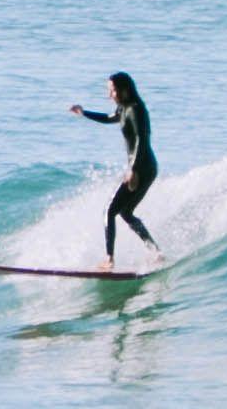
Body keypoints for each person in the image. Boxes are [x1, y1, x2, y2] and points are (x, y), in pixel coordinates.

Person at [68, 71, 160, 267]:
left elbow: (143, 140)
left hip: (142, 168)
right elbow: (109, 118)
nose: (110, 94)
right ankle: (155, 252)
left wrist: (133, 169)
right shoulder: (124, 108)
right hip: (146, 167)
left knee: (109, 211)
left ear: (124, 90)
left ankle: (109, 259)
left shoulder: (135, 110)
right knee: (125, 213)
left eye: (112, 90)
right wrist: (84, 113)